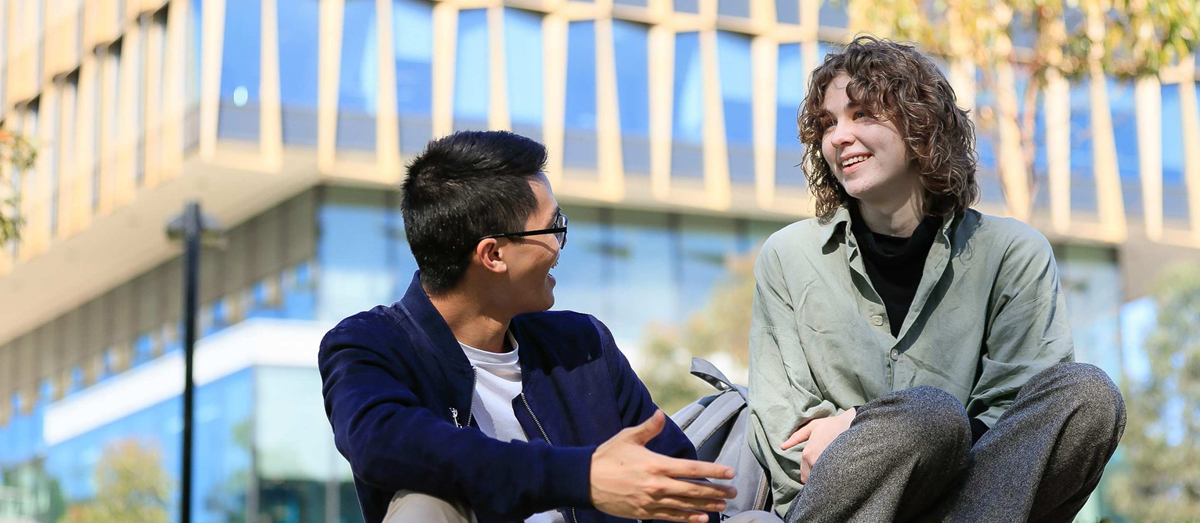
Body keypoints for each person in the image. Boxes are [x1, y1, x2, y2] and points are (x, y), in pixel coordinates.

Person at [747, 36, 1127, 523]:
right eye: (827, 123)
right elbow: (788, 434)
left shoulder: (1013, 252)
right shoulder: (787, 256)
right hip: (842, 506)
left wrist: (869, 426)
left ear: (921, 126)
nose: (838, 137)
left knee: (1089, 395)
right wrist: (894, 435)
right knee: (932, 417)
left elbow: (1019, 427)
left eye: (862, 114)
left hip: (978, 502)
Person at [319, 131, 775, 523]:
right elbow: (388, 444)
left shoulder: (584, 347)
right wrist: (585, 478)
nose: (559, 245)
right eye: (552, 227)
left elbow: (682, 482)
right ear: (493, 255)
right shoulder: (367, 346)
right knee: (424, 504)